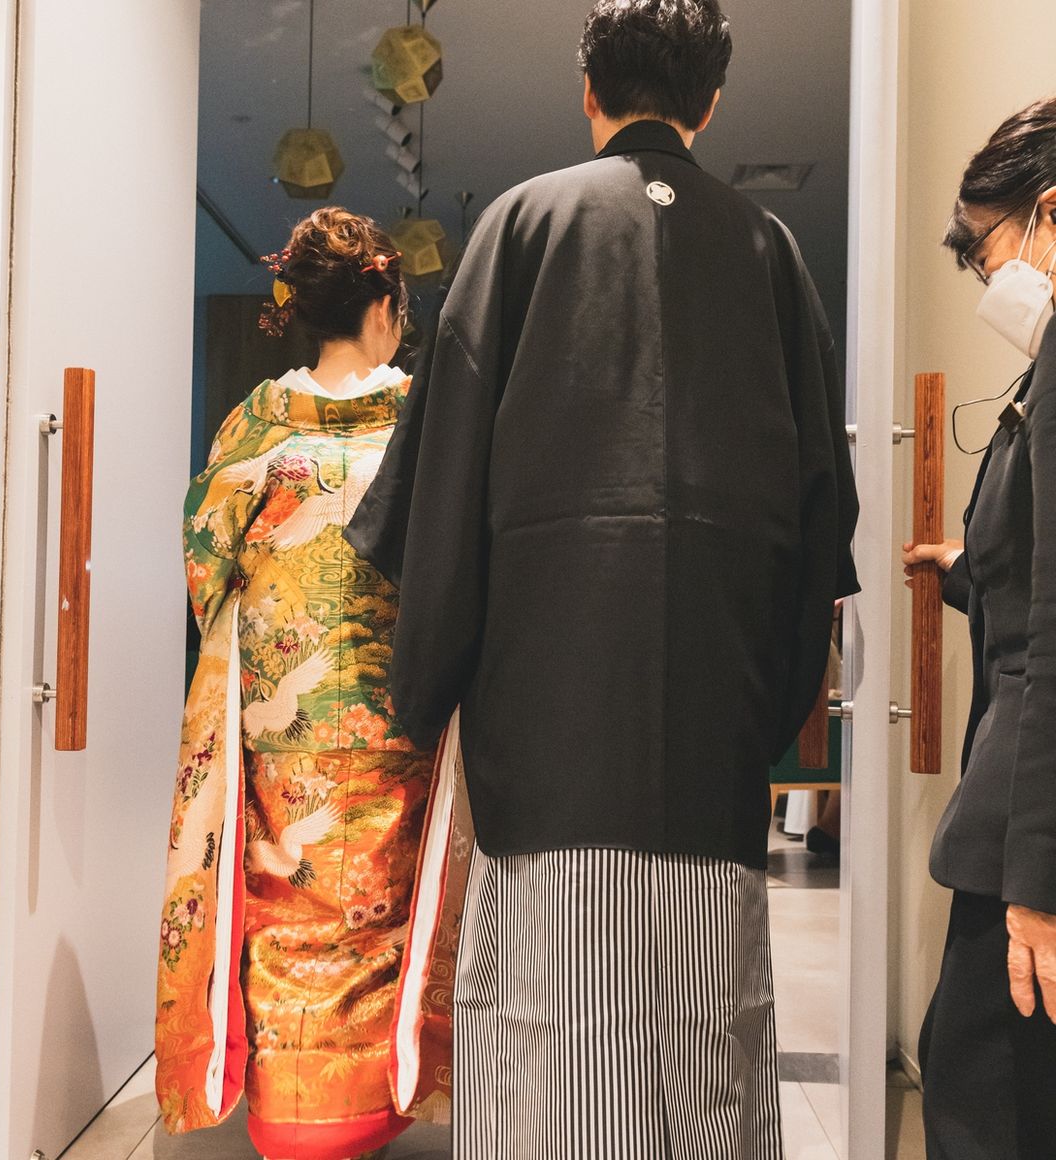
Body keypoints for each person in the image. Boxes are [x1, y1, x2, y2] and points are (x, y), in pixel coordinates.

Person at [346, 1, 859, 1155]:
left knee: (552, 1041)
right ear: (708, 103)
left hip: (546, 731)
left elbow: (443, 490)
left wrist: (426, 690)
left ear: (588, 92)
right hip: (710, 737)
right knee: (708, 1039)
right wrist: (771, 706)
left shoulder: (520, 226)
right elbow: (815, 514)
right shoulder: (768, 251)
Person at [154, 208, 438, 1160]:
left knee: (285, 888)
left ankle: (292, 1117)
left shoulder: (258, 427)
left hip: (281, 716)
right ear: (387, 308)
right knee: (382, 902)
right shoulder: (427, 424)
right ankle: (373, 1104)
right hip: (400, 708)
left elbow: (205, 557)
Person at [902, 96, 1056, 1159]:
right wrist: (967, 567)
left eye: (982, 246)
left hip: (1025, 834)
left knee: (978, 1097)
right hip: (1015, 821)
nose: (982, 273)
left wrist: (1036, 880)